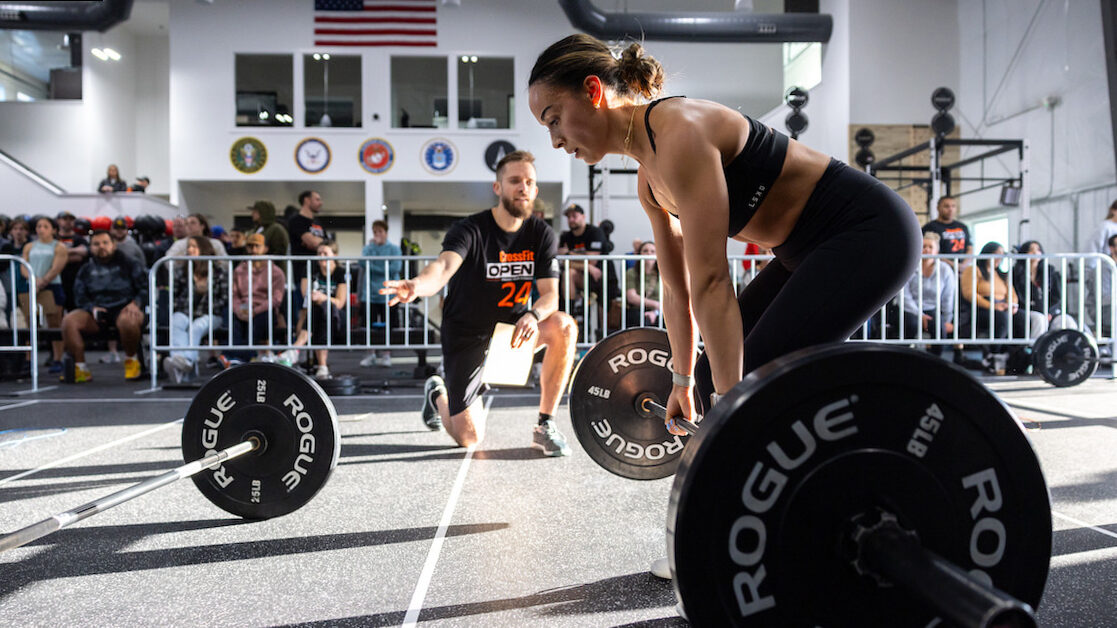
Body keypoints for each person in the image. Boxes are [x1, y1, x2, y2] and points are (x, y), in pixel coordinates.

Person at [529, 36, 921, 580]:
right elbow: (677, 289)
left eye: (553, 119)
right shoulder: (649, 179)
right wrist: (685, 378)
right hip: (802, 254)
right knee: (719, 378)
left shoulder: (680, 132)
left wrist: (732, 409)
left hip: (869, 233)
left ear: (592, 91)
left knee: (751, 387)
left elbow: (713, 279)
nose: (554, 141)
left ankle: (771, 524)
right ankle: (775, 514)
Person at [381, 150, 579, 455]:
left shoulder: (541, 234)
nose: (522, 187)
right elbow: (443, 268)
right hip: (467, 336)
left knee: (564, 326)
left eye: (529, 182)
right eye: (514, 181)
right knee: (470, 438)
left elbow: (551, 294)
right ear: (498, 187)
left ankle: (545, 425)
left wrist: (533, 313)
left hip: (510, 334)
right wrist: (418, 285)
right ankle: (438, 394)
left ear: (535, 190)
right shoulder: (470, 230)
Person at [60, 231, 147, 382]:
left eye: (105, 243)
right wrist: (91, 308)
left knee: (129, 319)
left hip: (125, 308)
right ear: (91, 247)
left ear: (113, 245)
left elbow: (145, 288)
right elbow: (79, 296)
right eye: (96, 244)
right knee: (69, 321)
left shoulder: (130, 263)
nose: (101, 247)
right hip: (96, 312)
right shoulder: (85, 269)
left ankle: (132, 361)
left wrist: (136, 303)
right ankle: (80, 368)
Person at [958, 242, 1047, 371]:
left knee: (1022, 318)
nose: (999, 258)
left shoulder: (1001, 274)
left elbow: (1012, 293)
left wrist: (1012, 305)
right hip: (982, 308)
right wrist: (992, 306)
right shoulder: (973, 270)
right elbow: (969, 293)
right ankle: (994, 354)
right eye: (996, 254)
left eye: (1001, 255)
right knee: (1001, 319)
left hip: (1002, 306)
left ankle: (1017, 355)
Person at [164, 236, 229, 383]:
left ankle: (185, 360)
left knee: (196, 326)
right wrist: (193, 294)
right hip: (186, 311)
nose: (189, 250)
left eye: (194, 246)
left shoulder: (219, 272)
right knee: (177, 321)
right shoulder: (183, 271)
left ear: (204, 249)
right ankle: (181, 363)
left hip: (211, 314)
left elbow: (224, 299)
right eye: (189, 246)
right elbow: (174, 296)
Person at [219, 233, 286, 366]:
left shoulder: (276, 271)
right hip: (243, 307)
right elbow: (233, 295)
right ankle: (233, 356)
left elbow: (276, 299)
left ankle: (241, 357)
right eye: (250, 246)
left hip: (264, 309)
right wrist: (239, 310)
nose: (254, 250)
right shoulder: (239, 270)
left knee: (259, 320)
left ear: (265, 248)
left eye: (257, 246)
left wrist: (255, 310)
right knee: (230, 317)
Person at [283, 242, 347, 380]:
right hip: (315, 314)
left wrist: (323, 298)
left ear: (334, 255)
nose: (321, 256)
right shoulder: (310, 268)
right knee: (319, 310)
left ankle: (295, 349)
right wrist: (317, 300)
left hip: (337, 316)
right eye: (319, 253)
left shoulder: (341, 272)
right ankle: (322, 366)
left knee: (325, 307)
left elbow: (340, 303)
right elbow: (306, 296)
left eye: (325, 253)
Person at [22, 216, 68, 372]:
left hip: (52, 286)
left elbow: (56, 268)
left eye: (45, 226)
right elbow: (23, 266)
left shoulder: (59, 247)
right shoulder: (29, 246)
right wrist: (34, 280)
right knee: (30, 324)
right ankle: (29, 360)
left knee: (55, 324)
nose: (41, 229)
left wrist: (43, 281)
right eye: (39, 226)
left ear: (53, 230)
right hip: (32, 287)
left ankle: (57, 359)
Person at [897, 232, 955, 354]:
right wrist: (919, 314)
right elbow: (904, 296)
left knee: (940, 329)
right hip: (910, 308)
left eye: (930, 247)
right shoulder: (909, 266)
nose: (927, 249)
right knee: (911, 324)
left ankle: (935, 362)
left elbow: (948, 298)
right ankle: (902, 359)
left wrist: (947, 320)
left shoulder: (945, 270)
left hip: (932, 309)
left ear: (936, 251)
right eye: (924, 246)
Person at [358, 219, 402, 367]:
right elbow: (363, 262)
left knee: (388, 327)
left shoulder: (394, 249)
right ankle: (370, 354)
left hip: (389, 293)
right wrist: (372, 250)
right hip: (369, 293)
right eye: (375, 232)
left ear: (386, 233)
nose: (377, 234)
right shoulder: (368, 248)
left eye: (380, 231)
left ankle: (386, 355)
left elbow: (394, 268)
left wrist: (374, 266)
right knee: (368, 326)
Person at [1013, 240, 1076, 332]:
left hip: (1050, 312)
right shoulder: (1015, 274)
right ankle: (1035, 346)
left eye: (1038, 250)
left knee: (1067, 321)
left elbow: (1057, 297)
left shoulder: (1050, 272)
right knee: (1040, 319)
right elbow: (1018, 298)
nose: (1035, 252)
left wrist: (1049, 312)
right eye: (1031, 250)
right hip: (1027, 311)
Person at [288, 190, 326, 287]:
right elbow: (313, 243)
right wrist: (316, 242)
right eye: (317, 199)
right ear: (307, 200)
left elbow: (327, 245)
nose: (320, 203)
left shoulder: (318, 222)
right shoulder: (296, 220)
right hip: (301, 271)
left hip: (319, 271)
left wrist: (317, 242)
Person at [625, 240, 661, 327]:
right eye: (645, 251)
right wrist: (655, 304)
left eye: (652, 251)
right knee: (637, 319)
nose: (649, 253)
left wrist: (655, 312)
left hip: (660, 311)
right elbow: (632, 297)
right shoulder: (631, 272)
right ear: (639, 254)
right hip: (638, 310)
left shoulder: (663, 274)